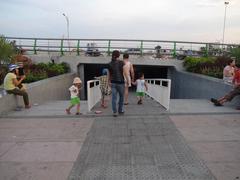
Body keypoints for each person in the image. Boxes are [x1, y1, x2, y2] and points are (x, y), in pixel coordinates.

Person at [108, 50, 128, 117]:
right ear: (118, 55)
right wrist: (128, 80)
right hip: (120, 83)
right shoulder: (121, 62)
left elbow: (109, 74)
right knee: (121, 96)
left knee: (114, 98)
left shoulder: (110, 63)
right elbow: (125, 73)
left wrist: (108, 82)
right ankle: (120, 110)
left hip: (113, 83)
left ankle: (114, 112)